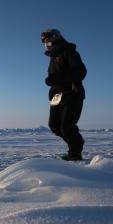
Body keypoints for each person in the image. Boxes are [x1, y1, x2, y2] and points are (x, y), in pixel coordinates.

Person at [41, 29, 87, 161]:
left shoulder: (69, 52)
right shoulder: (53, 57)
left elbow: (81, 72)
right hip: (58, 96)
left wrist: (59, 78)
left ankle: (75, 152)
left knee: (67, 126)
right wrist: (52, 87)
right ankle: (75, 145)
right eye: (44, 42)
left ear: (56, 38)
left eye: (48, 40)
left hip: (72, 93)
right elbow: (54, 78)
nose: (46, 43)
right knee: (54, 126)